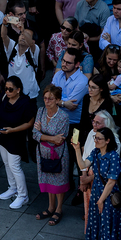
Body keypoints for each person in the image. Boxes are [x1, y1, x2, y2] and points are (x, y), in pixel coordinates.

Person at [73, 126, 121, 240]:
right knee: (100, 226)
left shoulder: (114, 157)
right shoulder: (96, 152)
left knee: (109, 228)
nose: (96, 140)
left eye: (99, 138)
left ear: (108, 141)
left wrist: (101, 200)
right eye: (95, 138)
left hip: (107, 198)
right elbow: (83, 165)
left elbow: (111, 182)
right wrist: (77, 149)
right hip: (97, 195)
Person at [0, 75, 35, 209]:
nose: (7, 91)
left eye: (10, 89)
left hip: (16, 137)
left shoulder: (25, 103)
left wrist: (13, 130)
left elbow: (29, 123)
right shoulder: (4, 97)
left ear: (18, 90)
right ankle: (13, 188)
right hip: (3, 135)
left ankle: (23, 195)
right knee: (6, 163)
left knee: (14, 166)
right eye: (6, 89)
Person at [33, 84, 70, 226]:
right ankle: (50, 207)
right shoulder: (41, 111)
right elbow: (34, 134)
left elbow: (60, 139)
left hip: (58, 154)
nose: (47, 101)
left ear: (58, 100)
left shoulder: (63, 117)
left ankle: (59, 209)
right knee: (48, 178)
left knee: (58, 180)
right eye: (45, 98)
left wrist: (42, 133)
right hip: (42, 152)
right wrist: (50, 137)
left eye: (51, 98)